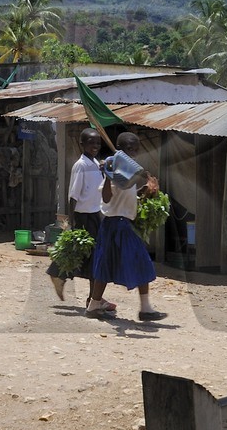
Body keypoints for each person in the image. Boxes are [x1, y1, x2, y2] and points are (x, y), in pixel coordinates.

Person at [86, 132, 166, 322]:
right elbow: (106, 198)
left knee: (108, 264)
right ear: (121, 149)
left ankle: (95, 305)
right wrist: (107, 175)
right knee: (139, 261)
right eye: (129, 149)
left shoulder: (128, 172)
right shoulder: (114, 169)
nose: (133, 152)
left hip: (124, 223)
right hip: (115, 224)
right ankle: (144, 309)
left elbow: (130, 198)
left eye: (136, 149)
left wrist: (147, 190)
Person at [48, 128, 105, 304]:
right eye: (91, 143)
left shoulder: (95, 163)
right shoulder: (80, 165)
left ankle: (91, 296)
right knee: (84, 253)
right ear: (82, 144)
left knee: (88, 255)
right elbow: (73, 195)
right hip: (83, 216)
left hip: (95, 215)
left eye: (97, 143)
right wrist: (71, 220)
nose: (95, 146)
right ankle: (59, 275)